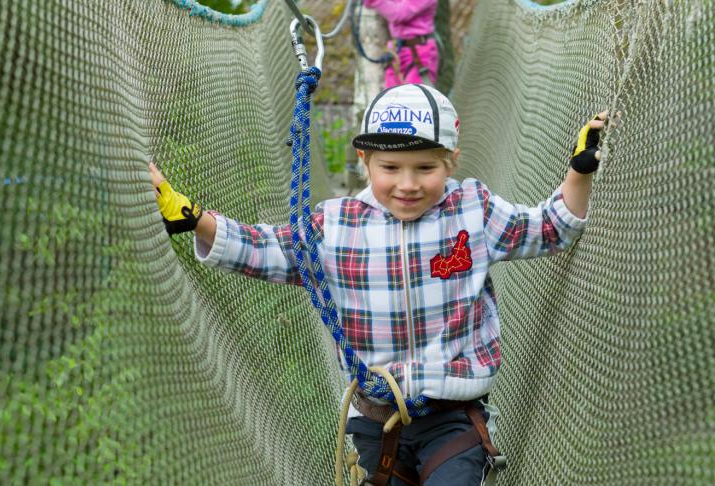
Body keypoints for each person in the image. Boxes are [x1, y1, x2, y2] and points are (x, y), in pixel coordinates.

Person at [149, 83, 606, 485]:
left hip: (452, 415)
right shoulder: (337, 225)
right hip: (373, 417)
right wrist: (196, 221)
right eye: (390, 168)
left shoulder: (473, 210)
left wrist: (579, 173)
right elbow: (268, 250)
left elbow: (549, 228)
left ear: (451, 162)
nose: (407, 184)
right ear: (364, 161)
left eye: (425, 168)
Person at [362, 0, 439, 88]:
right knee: (391, 98)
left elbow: (398, 14)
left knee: (415, 97)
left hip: (419, 53)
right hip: (396, 52)